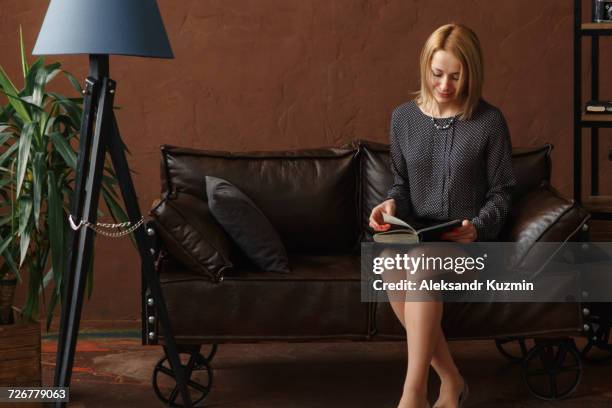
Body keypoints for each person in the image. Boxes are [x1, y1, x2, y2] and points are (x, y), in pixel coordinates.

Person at [369, 23, 516, 408]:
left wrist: (478, 227)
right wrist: (390, 205)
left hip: (468, 246)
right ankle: (451, 381)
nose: (445, 85)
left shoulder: (489, 121)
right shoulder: (403, 118)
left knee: (419, 262)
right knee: (386, 262)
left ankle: (412, 394)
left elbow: (502, 193)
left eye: (456, 75)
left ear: (472, 72)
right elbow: (401, 183)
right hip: (421, 237)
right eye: (437, 74)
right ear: (425, 69)